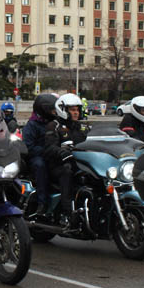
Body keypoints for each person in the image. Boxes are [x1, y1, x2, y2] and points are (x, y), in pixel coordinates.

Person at [45, 94, 89, 226]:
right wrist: (61, 151)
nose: (76, 113)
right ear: (63, 110)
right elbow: (49, 147)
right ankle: (67, 209)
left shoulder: (82, 127)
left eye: (77, 109)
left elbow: (92, 141)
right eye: (72, 110)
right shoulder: (54, 126)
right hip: (58, 164)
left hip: (79, 163)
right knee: (67, 171)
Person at [22, 93, 59, 215]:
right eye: (52, 109)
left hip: (53, 153)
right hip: (37, 156)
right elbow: (28, 146)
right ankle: (42, 202)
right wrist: (45, 151)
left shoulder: (55, 123)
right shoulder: (32, 125)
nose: (55, 112)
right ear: (44, 109)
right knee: (40, 166)